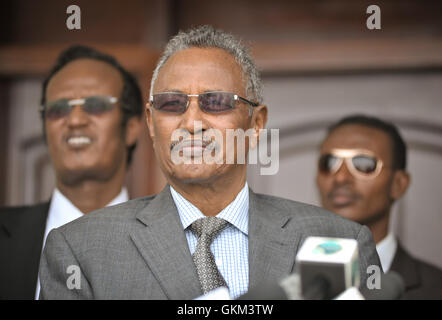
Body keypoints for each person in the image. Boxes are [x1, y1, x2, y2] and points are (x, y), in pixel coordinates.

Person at [39, 26, 380, 300]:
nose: (191, 122)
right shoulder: (80, 249)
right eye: (171, 104)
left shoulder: (339, 240)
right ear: (150, 123)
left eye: (215, 102)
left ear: (256, 124)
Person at [0, 45, 143, 299]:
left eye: (96, 105)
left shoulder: (177, 244)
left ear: (131, 127)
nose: (75, 120)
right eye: (58, 109)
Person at [316, 114, 442, 299]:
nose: (340, 177)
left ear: (398, 184)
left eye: (363, 164)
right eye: (329, 162)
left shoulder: (441, 290)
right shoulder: (279, 281)